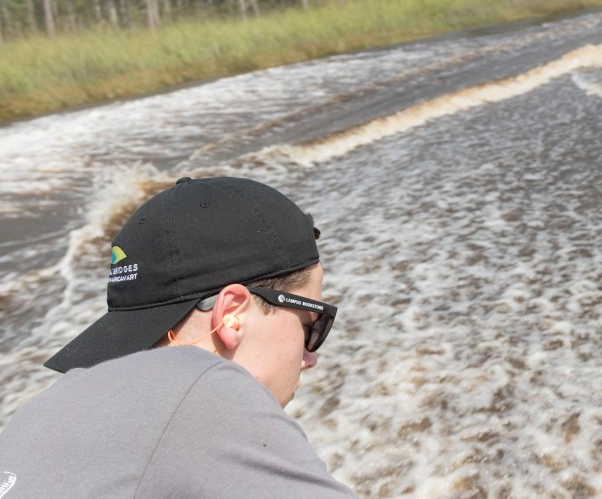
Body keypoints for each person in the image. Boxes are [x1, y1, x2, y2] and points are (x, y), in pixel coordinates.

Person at [0, 176, 358, 498]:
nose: (311, 358)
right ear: (232, 313)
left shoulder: (46, 408)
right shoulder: (204, 389)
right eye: (312, 324)